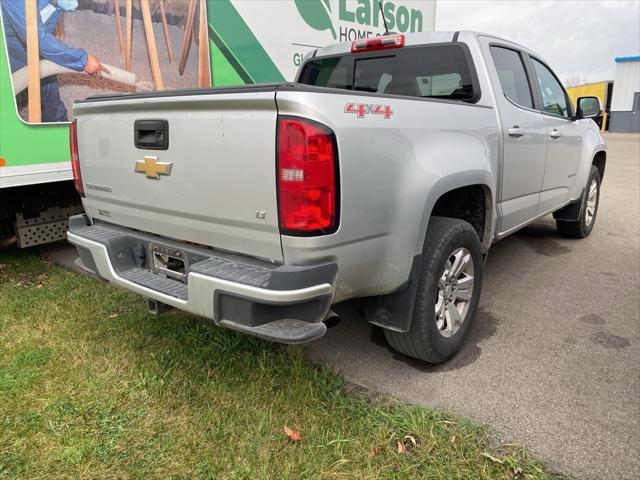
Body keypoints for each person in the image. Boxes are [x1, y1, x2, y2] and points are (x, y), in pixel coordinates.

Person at [1, 0, 109, 122]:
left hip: (33, 35)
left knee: (47, 71)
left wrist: (56, 4)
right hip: (11, 44)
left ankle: (55, 119)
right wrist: (81, 60)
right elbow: (36, 39)